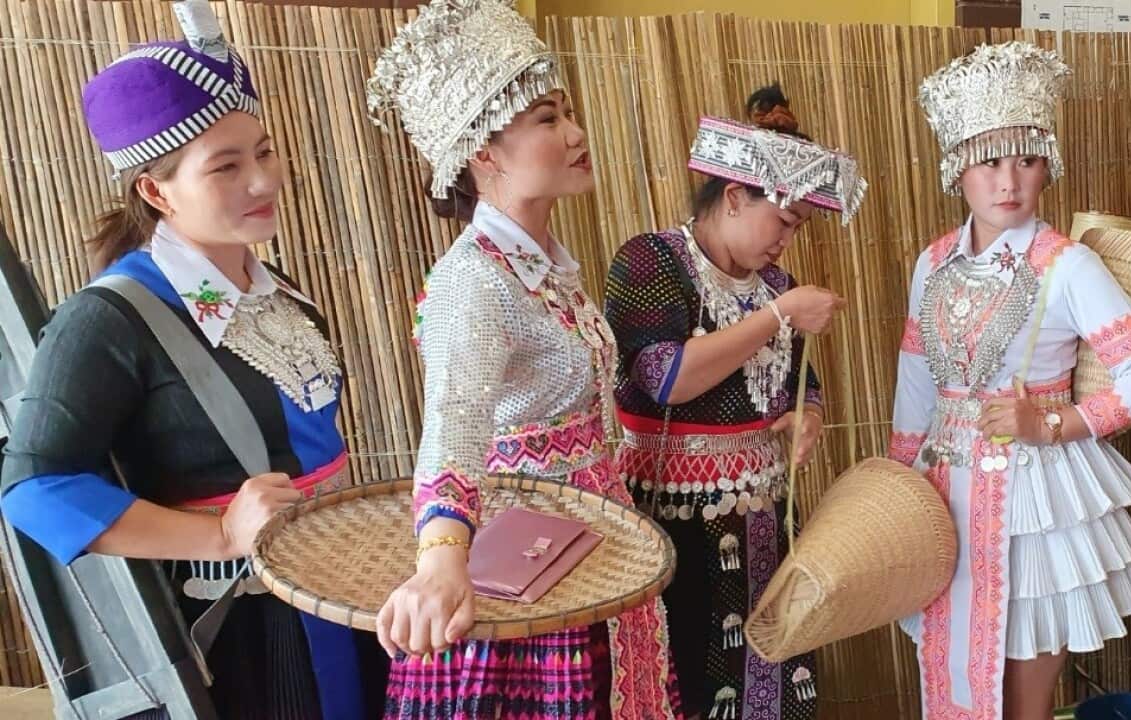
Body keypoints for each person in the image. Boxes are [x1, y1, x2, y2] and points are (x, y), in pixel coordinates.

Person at [0, 2, 386, 717]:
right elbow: (33, 489)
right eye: (227, 166)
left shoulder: (281, 293)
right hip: (249, 632)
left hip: (339, 587)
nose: (264, 181)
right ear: (155, 190)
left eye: (265, 152)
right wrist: (217, 531)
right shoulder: (109, 319)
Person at [367, 1, 681, 717]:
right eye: (545, 118)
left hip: (592, 543)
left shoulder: (547, 270)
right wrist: (444, 556)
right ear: (484, 152)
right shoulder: (471, 280)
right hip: (524, 565)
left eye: (567, 112)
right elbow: (455, 418)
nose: (574, 133)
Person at [891, 40, 1131, 719]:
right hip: (943, 492)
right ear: (958, 168)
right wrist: (899, 484)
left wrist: (1050, 423)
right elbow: (916, 380)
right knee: (953, 670)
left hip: (1034, 498)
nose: (1008, 181)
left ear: (1049, 163)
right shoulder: (931, 262)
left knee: (1020, 704)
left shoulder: (1066, 265)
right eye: (989, 161)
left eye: (1027, 158)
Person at [604, 83, 864, 720]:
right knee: (690, 675)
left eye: (797, 227)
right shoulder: (650, 262)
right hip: (673, 514)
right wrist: (777, 316)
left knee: (774, 662)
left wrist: (809, 415)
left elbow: (801, 376)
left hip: (767, 513)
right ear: (733, 197)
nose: (786, 242)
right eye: (783, 222)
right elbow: (665, 378)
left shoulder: (777, 283)